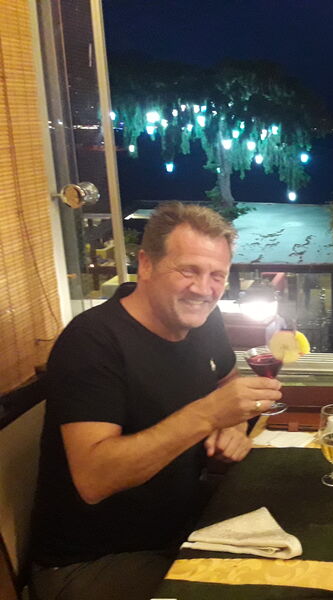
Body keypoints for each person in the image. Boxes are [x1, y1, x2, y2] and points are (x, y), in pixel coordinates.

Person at [30, 202, 282, 600]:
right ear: (146, 264)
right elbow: (94, 480)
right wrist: (208, 416)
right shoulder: (92, 342)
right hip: (93, 563)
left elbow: (227, 384)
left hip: (180, 527)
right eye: (188, 270)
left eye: (217, 275)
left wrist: (233, 426)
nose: (203, 289)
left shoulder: (204, 321)